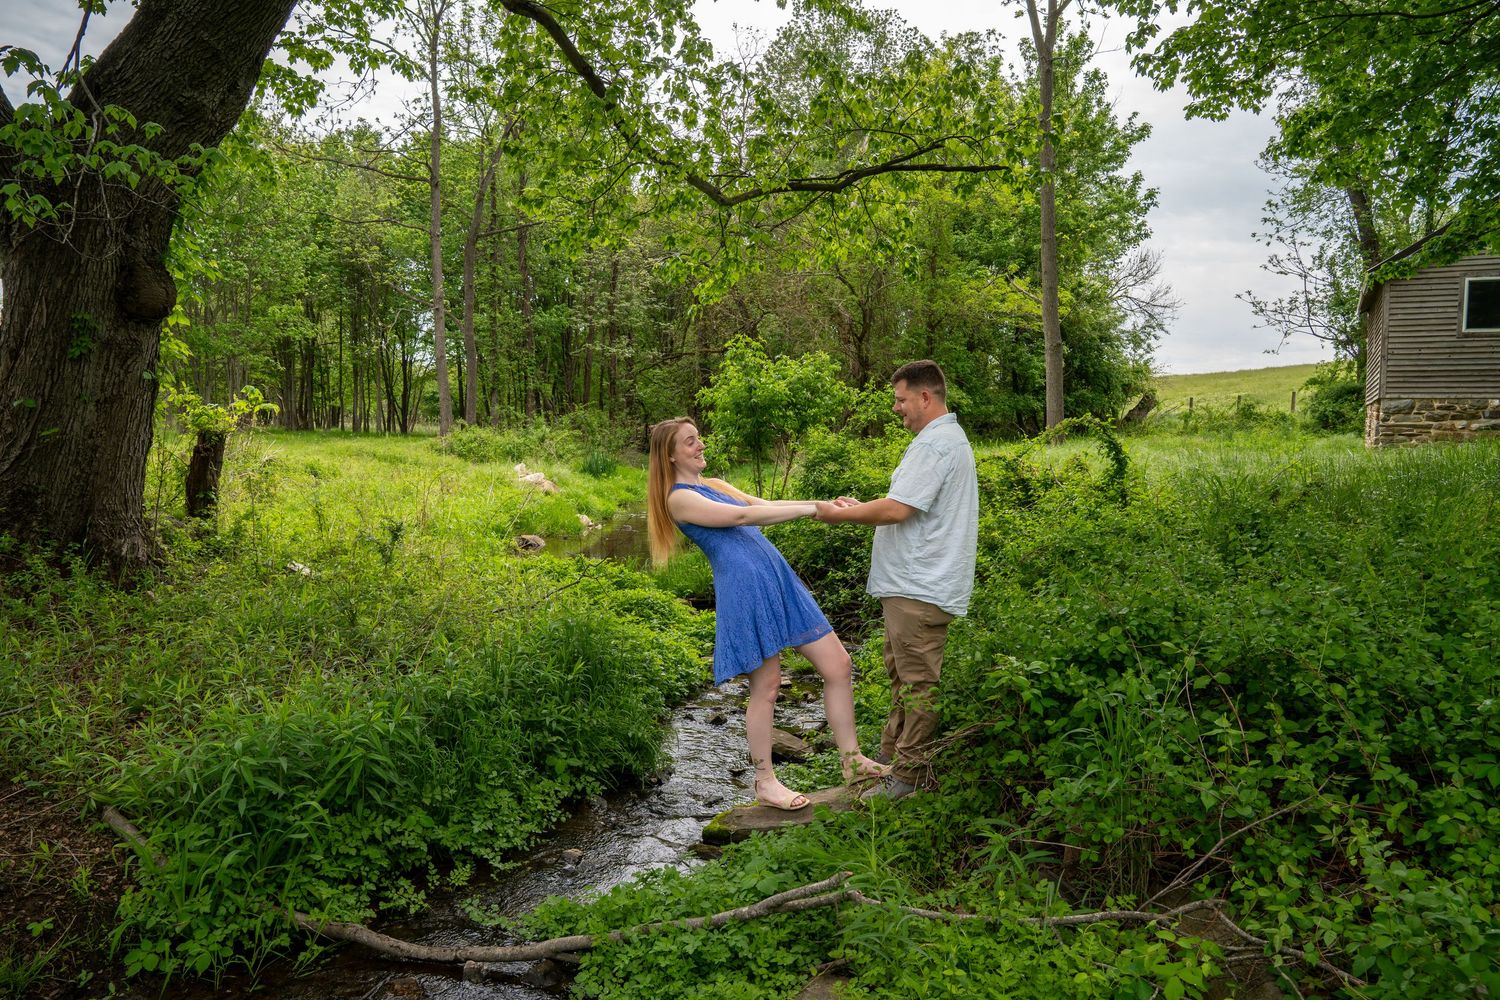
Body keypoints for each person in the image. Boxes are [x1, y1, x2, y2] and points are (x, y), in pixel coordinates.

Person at [646, 417, 890, 811]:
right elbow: (743, 518)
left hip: (778, 579)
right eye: (690, 442)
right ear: (670, 455)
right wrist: (813, 511)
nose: (700, 445)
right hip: (745, 589)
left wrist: (822, 507)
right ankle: (765, 782)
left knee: (839, 665)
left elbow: (763, 506)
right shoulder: (679, 498)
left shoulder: (716, 486)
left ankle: (852, 762)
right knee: (769, 685)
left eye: (698, 438)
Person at [815, 360, 978, 801]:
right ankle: (890, 764)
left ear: (926, 397)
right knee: (902, 679)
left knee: (918, 684)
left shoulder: (935, 445)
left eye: (901, 399)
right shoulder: (941, 440)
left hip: (919, 588)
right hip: (912, 588)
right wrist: (861, 506)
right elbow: (901, 503)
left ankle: (906, 781)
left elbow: (897, 510)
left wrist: (843, 516)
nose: (896, 408)